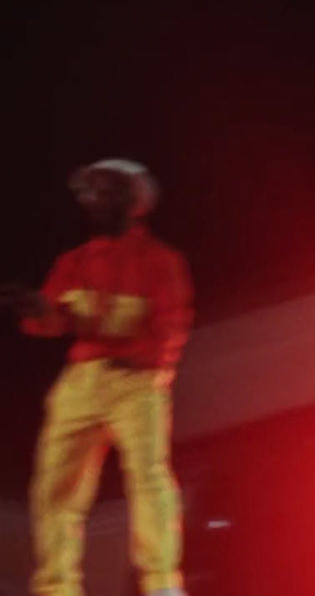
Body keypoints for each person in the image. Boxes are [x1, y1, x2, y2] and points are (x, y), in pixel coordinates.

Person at [2, 159, 192, 596]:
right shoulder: (73, 262)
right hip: (82, 380)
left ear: (132, 201)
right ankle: (56, 586)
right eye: (87, 193)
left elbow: (173, 321)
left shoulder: (161, 261)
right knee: (54, 485)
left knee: (149, 476)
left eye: (102, 191)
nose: (91, 201)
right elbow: (57, 319)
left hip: (138, 384)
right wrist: (38, 310)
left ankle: (162, 582)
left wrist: (148, 360)